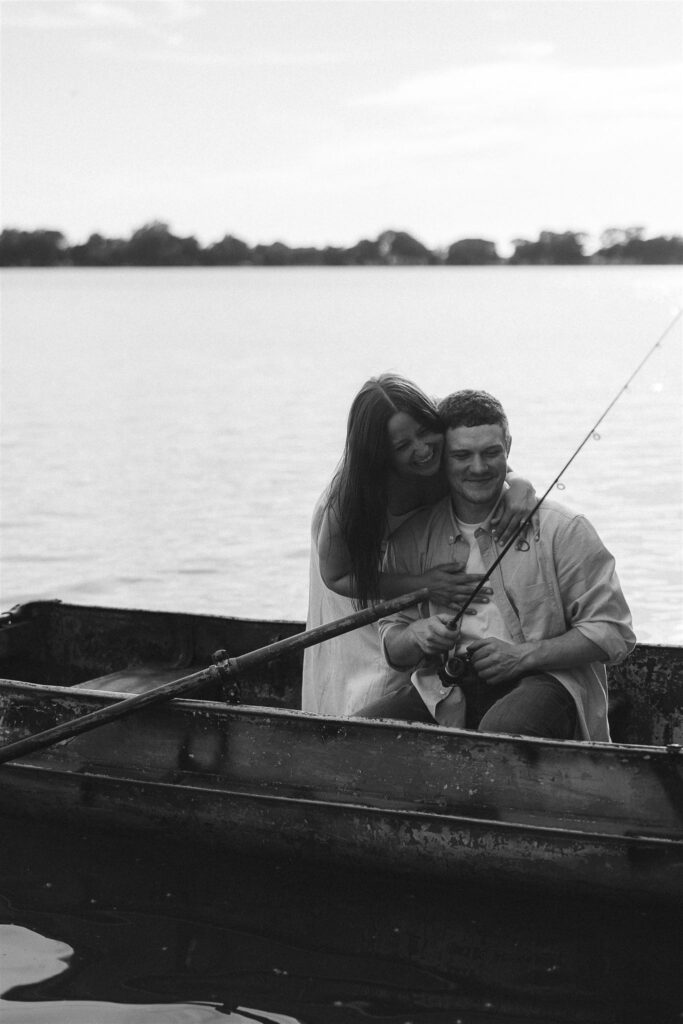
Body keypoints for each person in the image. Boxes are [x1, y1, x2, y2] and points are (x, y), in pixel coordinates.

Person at [356, 389, 635, 741]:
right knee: (358, 732)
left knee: (503, 731)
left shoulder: (563, 528)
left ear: (509, 447)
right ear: (443, 457)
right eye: (462, 455)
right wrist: (414, 634)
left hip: (547, 682)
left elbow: (613, 632)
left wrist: (522, 656)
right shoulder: (412, 537)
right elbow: (393, 642)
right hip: (445, 689)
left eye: (491, 453)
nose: (478, 467)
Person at [302, 375, 538, 717]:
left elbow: (484, 462)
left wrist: (518, 482)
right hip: (358, 580)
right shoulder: (348, 501)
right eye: (402, 446)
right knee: (369, 676)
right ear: (380, 455)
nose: (423, 449)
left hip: (418, 559)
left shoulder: (440, 449)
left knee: (422, 657)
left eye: (425, 431)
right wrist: (423, 585)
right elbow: (336, 576)